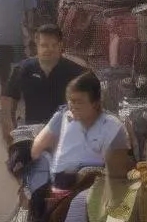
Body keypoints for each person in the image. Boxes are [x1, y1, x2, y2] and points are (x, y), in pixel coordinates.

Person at [28, 72, 133, 222]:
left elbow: (118, 172)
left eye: (79, 102)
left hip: (94, 188)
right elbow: (36, 150)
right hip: (70, 187)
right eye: (71, 101)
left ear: (95, 103)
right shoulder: (63, 117)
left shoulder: (113, 127)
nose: (73, 106)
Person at [2, 24, 86, 144]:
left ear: (60, 45)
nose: (49, 50)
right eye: (44, 45)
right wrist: (11, 131)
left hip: (65, 137)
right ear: (36, 44)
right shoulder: (23, 69)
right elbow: (8, 100)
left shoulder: (76, 73)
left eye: (53, 45)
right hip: (31, 136)